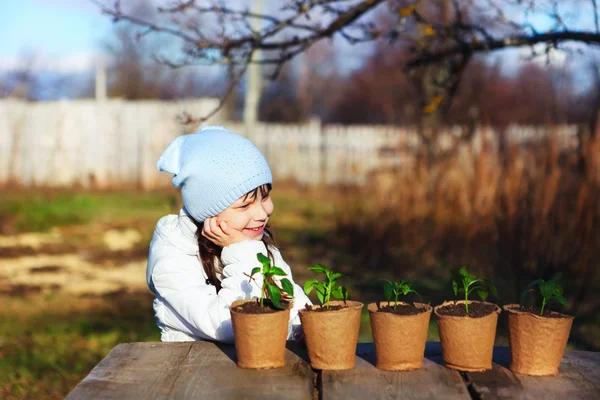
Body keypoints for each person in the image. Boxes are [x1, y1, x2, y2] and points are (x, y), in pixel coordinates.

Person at [146, 125, 311, 343]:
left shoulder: (252, 242)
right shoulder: (172, 256)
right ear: (208, 211)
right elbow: (230, 325)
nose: (262, 214)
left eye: (265, 197)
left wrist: (302, 329)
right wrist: (241, 249)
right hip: (194, 372)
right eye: (245, 206)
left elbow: (289, 303)